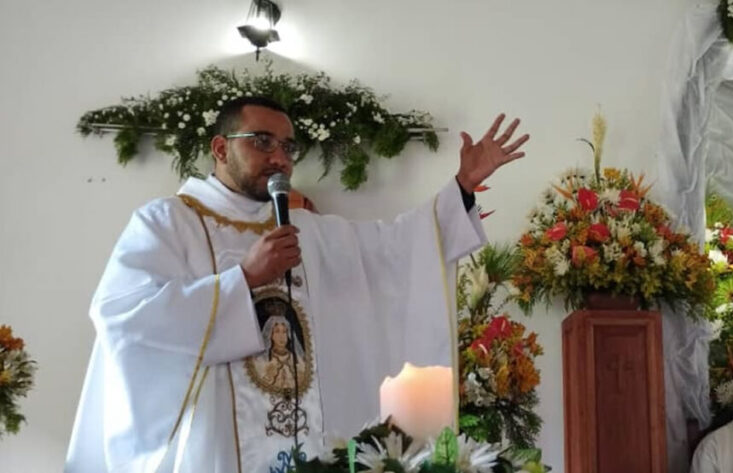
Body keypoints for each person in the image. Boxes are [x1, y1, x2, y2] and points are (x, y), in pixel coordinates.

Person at [65, 96, 529, 472]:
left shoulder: (308, 229)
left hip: (309, 445)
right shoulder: (168, 222)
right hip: (214, 449)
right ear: (221, 148)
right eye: (262, 142)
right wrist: (243, 279)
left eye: (288, 147)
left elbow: (393, 251)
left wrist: (462, 186)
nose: (280, 158)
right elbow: (124, 319)